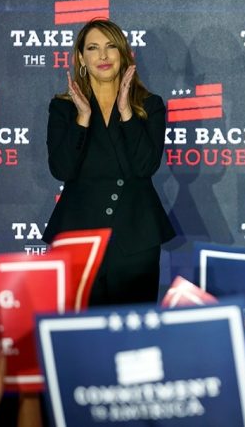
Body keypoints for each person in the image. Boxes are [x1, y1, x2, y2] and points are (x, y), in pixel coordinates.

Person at [42, 18, 175, 306]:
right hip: (79, 238)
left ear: (123, 54)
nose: (102, 56)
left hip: (135, 238)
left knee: (133, 334)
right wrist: (82, 119)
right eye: (93, 48)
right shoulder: (63, 108)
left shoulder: (149, 105)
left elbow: (145, 167)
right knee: (83, 336)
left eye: (110, 46)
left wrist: (126, 111)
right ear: (81, 57)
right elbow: (61, 170)